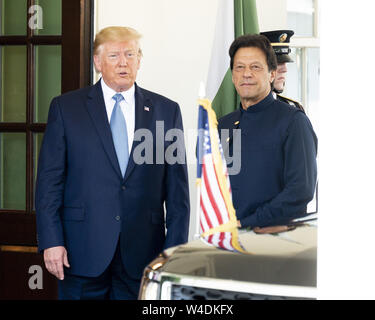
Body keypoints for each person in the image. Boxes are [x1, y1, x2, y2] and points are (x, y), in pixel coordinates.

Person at [35, 26, 190, 300]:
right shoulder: (66, 108)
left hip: (144, 257)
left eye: (130, 54)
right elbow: (49, 183)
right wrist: (51, 241)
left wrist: (174, 251)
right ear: (98, 61)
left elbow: (178, 192)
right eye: (114, 55)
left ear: (140, 60)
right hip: (80, 253)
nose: (123, 62)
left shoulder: (167, 111)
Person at [218, 34, 317, 230]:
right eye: (240, 67)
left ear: (272, 74)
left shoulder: (293, 122)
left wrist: (247, 223)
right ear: (232, 75)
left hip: (276, 244)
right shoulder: (222, 125)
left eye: (255, 67)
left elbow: (300, 191)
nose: (246, 74)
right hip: (227, 242)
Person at [260, 30, 304, 111]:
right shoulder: (241, 108)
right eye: (277, 63)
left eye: (285, 63)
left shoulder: (293, 108)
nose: (284, 70)